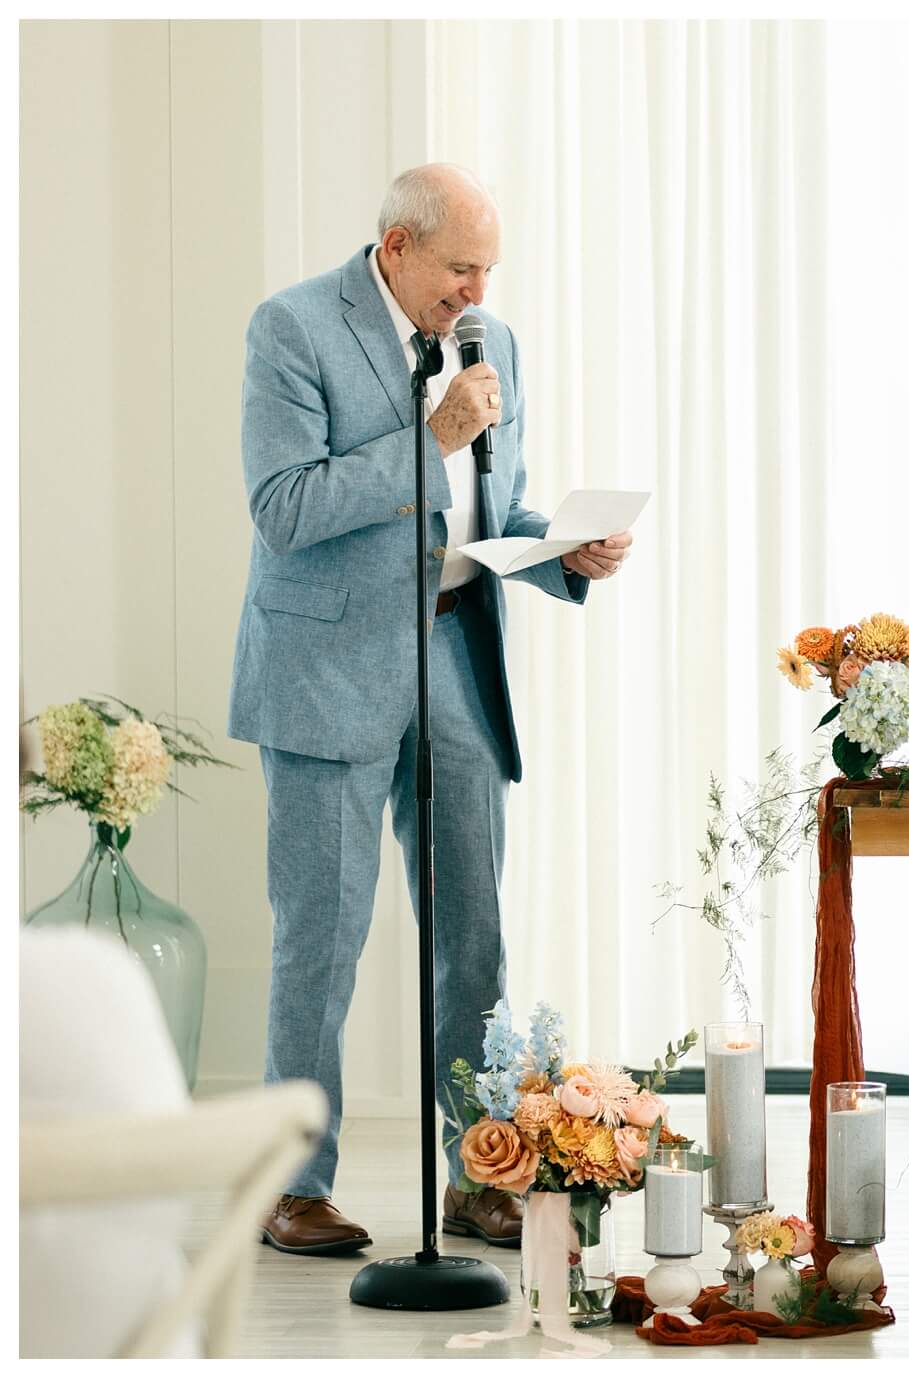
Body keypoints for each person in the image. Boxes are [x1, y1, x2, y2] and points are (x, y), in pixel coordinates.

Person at [229, 164, 633, 1255]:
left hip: (454, 646)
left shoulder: (491, 340)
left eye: (488, 268)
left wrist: (567, 551)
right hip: (327, 668)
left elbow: (497, 506)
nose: (477, 290)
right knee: (323, 937)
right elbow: (282, 508)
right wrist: (432, 437)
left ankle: (479, 1168)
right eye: (461, 267)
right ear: (397, 247)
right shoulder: (293, 329)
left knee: (474, 934)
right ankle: (293, 1186)